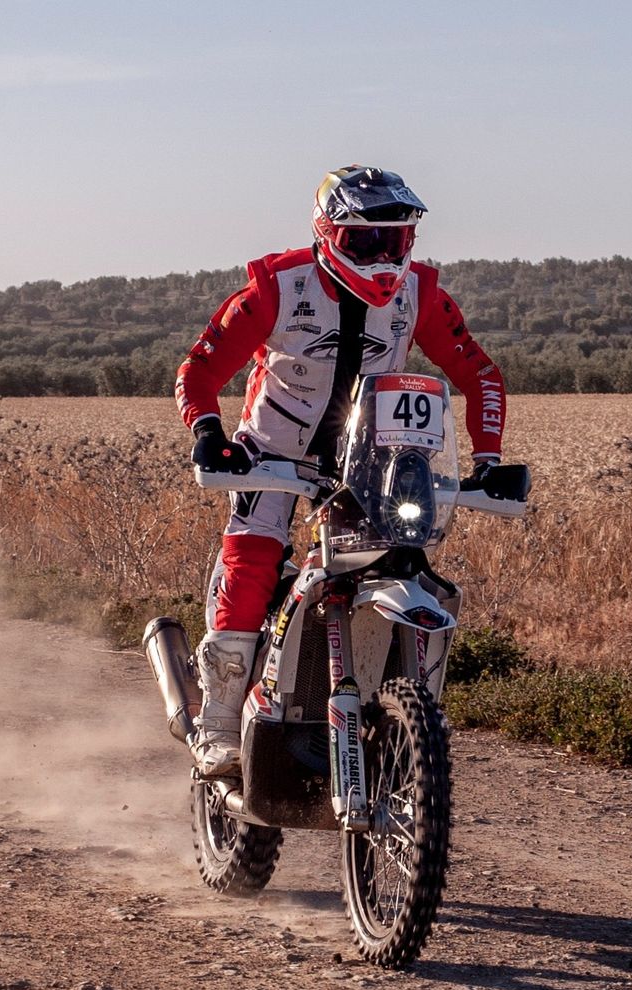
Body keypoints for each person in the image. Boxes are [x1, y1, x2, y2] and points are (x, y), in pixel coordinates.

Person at [174, 164, 507, 777]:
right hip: (271, 452)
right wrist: (209, 433)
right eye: (365, 240)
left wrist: (487, 461)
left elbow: (479, 373)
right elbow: (199, 368)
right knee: (252, 566)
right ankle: (220, 723)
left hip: (371, 457)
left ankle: (399, 717)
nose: (383, 255)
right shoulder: (277, 286)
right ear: (329, 234)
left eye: (396, 240)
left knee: (406, 566)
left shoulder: (421, 293)